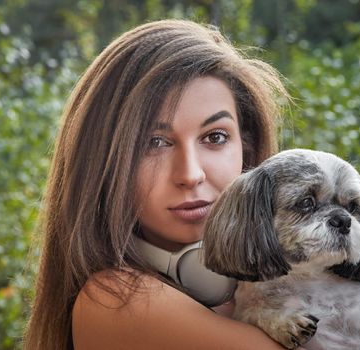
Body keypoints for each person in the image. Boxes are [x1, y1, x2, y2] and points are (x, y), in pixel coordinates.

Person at [24, 19, 294, 349]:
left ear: (247, 149)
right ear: (104, 165)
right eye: (154, 142)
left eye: (215, 137)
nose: (191, 174)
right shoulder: (114, 302)